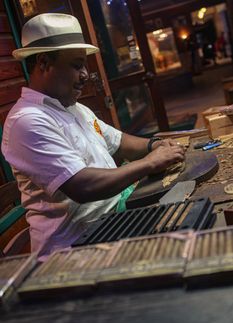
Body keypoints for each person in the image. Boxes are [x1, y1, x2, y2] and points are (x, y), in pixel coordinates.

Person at [1, 13, 185, 261]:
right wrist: (152, 162)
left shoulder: (74, 108)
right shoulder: (28, 121)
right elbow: (83, 186)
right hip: (77, 250)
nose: (86, 74)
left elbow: (120, 142)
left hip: (113, 223)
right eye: (77, 65)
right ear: (44, 63)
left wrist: (155, 144)